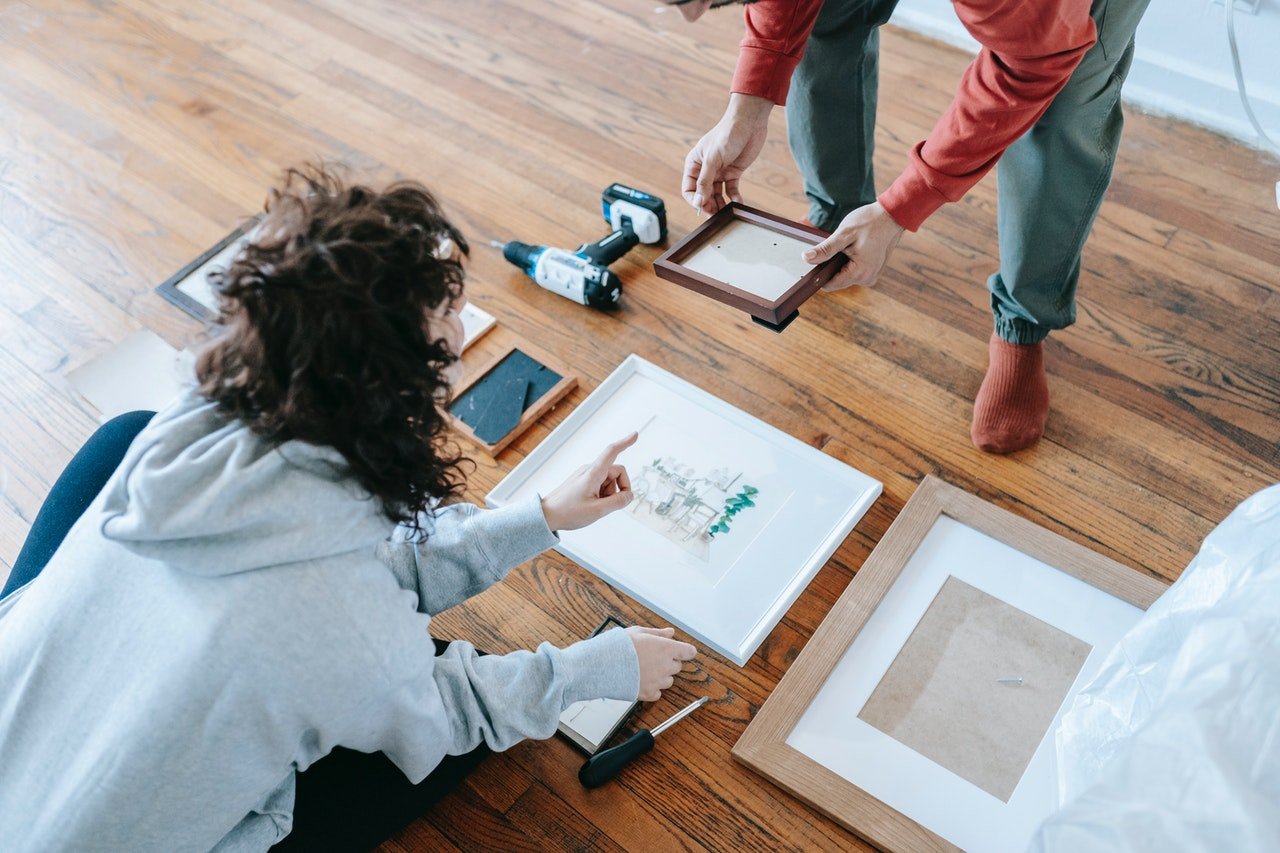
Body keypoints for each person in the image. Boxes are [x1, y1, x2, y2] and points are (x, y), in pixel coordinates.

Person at [0, 166, 697, 852]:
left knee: (119, 436)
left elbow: (335, 565)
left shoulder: (189, 427)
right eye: (450, 320)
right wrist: (600, 667)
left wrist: (540, 515)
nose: (462, 327)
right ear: (402, 391)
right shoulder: (340, 626)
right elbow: (449, 708)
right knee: (435, 733)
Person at [678, 0, 1151, 453]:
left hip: (1050, 22)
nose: (691, 15)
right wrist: (748, 105)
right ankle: (835, 215)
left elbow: (1034, 64)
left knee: (1064, 103)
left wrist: (902, 208)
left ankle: (1022, 323)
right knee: (824, 8)